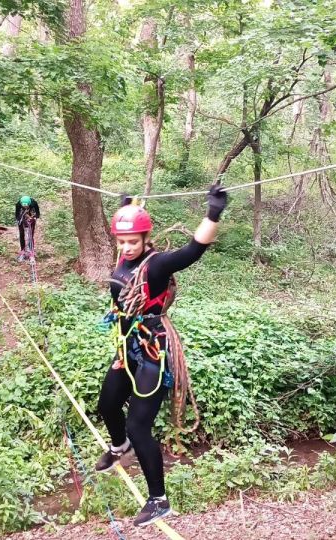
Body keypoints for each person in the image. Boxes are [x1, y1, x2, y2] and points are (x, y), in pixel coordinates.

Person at [94, 184, 228, 527]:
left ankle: (159, 500)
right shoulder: (123, 260)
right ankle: (118, 445)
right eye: (121, 241)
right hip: (128, 348)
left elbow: (193, 250)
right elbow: (127, 239)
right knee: (107, 404)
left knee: (139, 427)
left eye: (133, 242)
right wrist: (128, 207)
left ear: (145, 238)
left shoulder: (155, 267)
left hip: (153, 352)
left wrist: (213, 213)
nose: (126, 248)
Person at [15, 195, 40, 262]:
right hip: (22, 215)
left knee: (30, 235)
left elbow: (37, 213)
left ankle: (31, 252)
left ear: (29, 204)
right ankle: (22, 251)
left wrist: (33, 218)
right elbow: (17, 214)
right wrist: (20, 220)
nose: (25, 206)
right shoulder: (18, 204)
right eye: (23, 205)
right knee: (21, 233)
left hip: (31, 214)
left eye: (26, 205)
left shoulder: (34, 203)